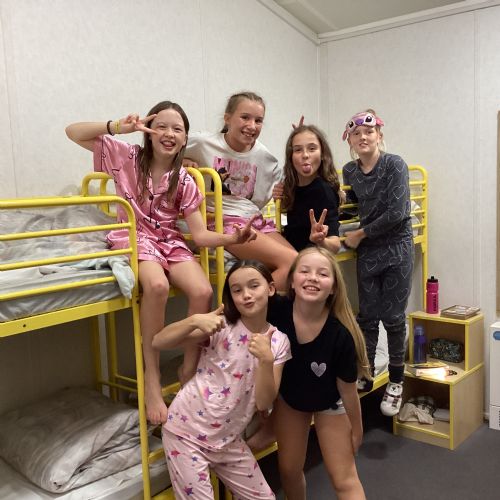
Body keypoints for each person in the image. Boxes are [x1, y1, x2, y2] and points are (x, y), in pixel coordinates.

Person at [65, 101, 256, 425]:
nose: (169, 133)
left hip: (169, 240)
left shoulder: (185, 180)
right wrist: (117, 126)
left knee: (202, 291)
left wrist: (233, 238)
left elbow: (199, 235)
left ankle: (188, 367)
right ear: (149, 132)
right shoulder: (127, 157)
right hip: (134, 236)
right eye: (162, 126)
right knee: (156, 285)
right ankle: (151, 378)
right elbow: (73, 132)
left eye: (177, 129)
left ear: (185, 139)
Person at [152, 260, 291, 500]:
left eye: (254, 286)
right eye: (237, 290)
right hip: (186, 432)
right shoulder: (222, 326)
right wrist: (194, 320)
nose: (246, 295)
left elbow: (263, 402)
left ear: (270, 288)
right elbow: (158, 341)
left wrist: (266, 361)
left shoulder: (279, 341)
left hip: (227, 440)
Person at [268, 246, 370, 500]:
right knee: (289, 470)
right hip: (291, 398)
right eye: (304, 271)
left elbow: (348, 392)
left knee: (344, 479)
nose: (312, 278)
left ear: (333, 287)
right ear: (292, 281)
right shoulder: (276, 309)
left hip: (330, 402)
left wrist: (357, 430)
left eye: (322, 274)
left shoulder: (340, 336)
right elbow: (244, 296)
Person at [183, 90, 297, 291]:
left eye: (258, 120)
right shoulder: (202, 143)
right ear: (227, 118)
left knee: (301, 266)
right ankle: (244, 305)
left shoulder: (265, 157)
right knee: (292, 263)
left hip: (253, 219)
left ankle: (253, 307)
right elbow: (162, 153)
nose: (252, 126)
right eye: (245, 117)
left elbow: (276, 190)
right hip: (222, 222)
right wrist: (182, 161)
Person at [341, 109, 414, 416]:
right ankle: (366, 371)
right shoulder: (349, 171)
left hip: (397, 247)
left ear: (379, 136)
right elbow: (351, 208)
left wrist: (359, 233)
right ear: (350, 141)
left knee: (394, 318)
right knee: (368, 318)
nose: (363, 137)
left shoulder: (394, 164)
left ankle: (396, 381)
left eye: (369, 132)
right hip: (369, 251)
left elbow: (397, 213)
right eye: (356, 134)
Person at [274, 124, 342, 253]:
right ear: (291, 157)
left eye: (312, 148)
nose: (305, 155)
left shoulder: (323, 191)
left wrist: (321, 240)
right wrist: (279, 199)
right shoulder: (291, 187)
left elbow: (335, 245)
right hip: (292, 255)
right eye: (298, 150)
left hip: (309, 260)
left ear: (322, 154)